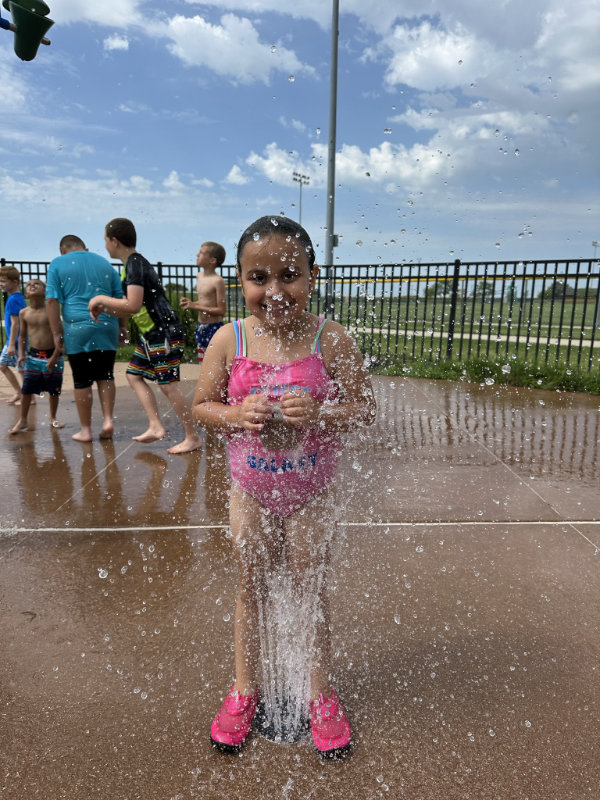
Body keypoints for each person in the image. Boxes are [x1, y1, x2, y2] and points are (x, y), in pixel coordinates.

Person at [191, 215, 376, 757]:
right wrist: (233, 414)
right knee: (251, 586)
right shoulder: (231, 338)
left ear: (313, 277)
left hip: (311, 493)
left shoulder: (330, 339)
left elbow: (365, 411)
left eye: (289, 275)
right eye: (258, 278)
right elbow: (203, 406)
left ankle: (318, 693)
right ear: (240, 282)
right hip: (251, 490)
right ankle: (245, 688)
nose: (274, 291)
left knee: (307, 587)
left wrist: (321, 412)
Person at [88, 217, 202, 455]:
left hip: (164, 333)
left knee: (168, 385)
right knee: (133, 375)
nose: (106, 245)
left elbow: (132, 304)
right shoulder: (132, 264)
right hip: (152, 334)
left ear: (114, 241)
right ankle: (155, 425)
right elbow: (134, 306)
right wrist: (109, 310)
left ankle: (192, 437)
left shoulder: (134, 264)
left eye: (106, 241)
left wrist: (100, 300)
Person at [46, 234, 125, 442]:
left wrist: (56, 334)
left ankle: (86, 430)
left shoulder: (57, 263)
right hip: (107, 324)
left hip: (77, 327)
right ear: (85, 248)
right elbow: (120, 299)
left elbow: (52, 301)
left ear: (62, 249)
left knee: (82, 380)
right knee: (106, 374)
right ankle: (108, 420)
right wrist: (123, 327)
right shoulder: (105, 264)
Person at [9, 278, 64, 434]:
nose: (32, 285)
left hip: (53, 355)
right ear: (26, 293)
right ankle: (23, 420)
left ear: (45, 292)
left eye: (37, 284)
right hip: (33, 357)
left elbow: (60, 334)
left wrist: (55, 355)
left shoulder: (51, 311)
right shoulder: (24, 313)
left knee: (54, 390)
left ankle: (53, 418)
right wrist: (21, 354)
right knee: (27, 389)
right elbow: (23, 337)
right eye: (29, 284)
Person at [179, 241, 227, 365]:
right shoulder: (199, 276)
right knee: (203, 363)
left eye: (201, 253)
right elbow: (205, 302)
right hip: (200, 327)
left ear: (212, 260)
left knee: (215, 364)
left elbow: (221, 310)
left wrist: (195, 306)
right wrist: (191, 303)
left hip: (214, 328)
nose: (197, 254)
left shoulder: (218, 281)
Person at [0, 264, 26, 404]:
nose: (1, 284)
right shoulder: (18, 297)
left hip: (15, 341)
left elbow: (16, 323)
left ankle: (26, 395)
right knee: (9, 366)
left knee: (20, 369)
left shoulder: (12, 300)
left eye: (4, 281)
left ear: (15, 282)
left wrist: (11, 344)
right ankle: (20, 392)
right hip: (16, 340)